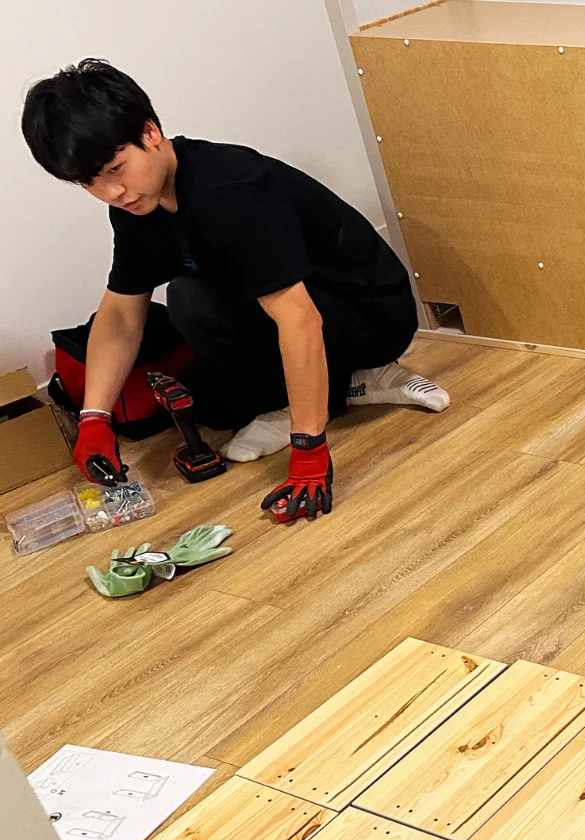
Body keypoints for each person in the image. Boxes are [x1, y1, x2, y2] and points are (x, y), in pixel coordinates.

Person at [20, 59, 449, 523]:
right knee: (211, 405)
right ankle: (340, 389)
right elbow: (122, 314)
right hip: (290, 308)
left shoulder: (229, 192)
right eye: (90, 182)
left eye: (115, 168)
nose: (112, 192)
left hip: (370, 314)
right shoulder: (136, 207)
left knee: (189, 297)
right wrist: (94, 419)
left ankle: (359, 379)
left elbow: (299, 317)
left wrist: (309, 450)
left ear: (150, 133)